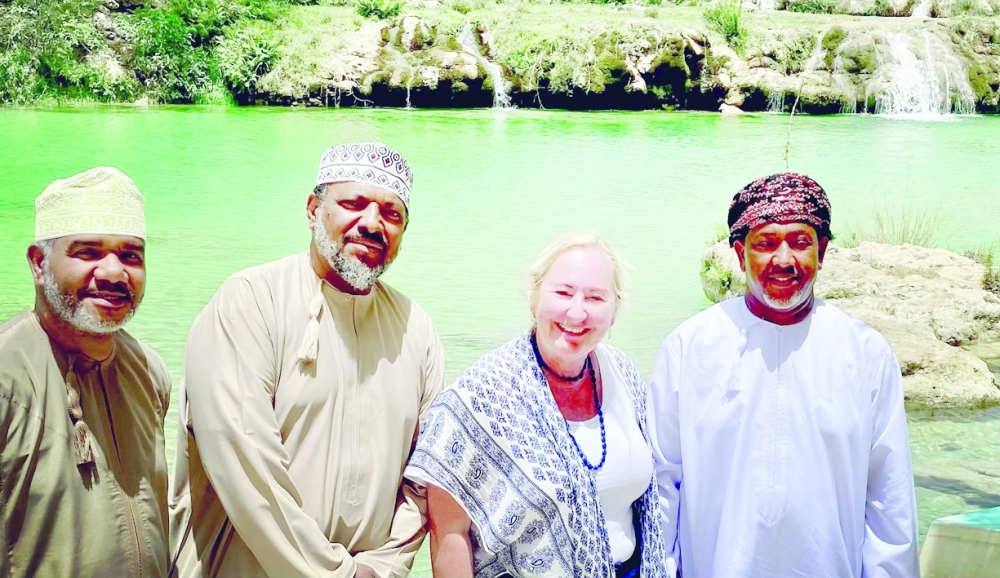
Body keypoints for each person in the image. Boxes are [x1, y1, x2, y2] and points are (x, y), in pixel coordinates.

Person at [169, 142, 444, 578]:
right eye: (353, 204)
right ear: (314, 209)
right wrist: (336, 574)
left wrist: (387, 564)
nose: (372, 224)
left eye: (391, 214)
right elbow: (246, 467)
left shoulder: (416, 327)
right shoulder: (250, 302)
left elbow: (426, 471)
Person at [648, 173, 919, 578]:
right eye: (766, 243)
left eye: (800, 241)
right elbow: (662, 483)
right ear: (740, 255)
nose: (784, 260)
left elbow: (889, 498)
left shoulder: (865, 354)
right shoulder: (690, 347)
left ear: (822, 251)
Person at [406, 232, 667, 578]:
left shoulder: (623, 374)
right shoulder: (481, 396)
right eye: (562, 292)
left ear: (615, 309)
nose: (577, 311)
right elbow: (449, 532)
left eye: (595, 297)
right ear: (533, 298)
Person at [0, 166, 171, 578]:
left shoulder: (149, 371)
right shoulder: (8, 377)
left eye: (131, 255)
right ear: (39, 263)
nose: (114, 273)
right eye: (88, 252)